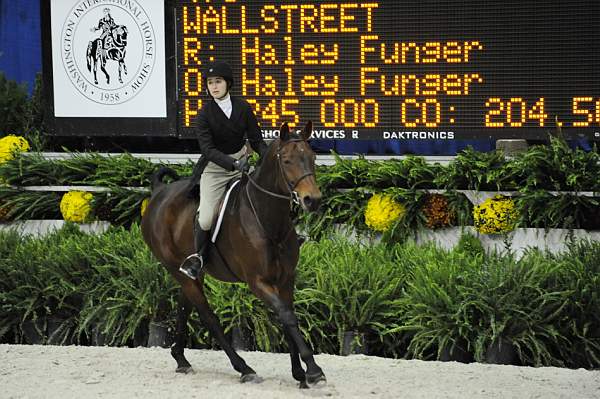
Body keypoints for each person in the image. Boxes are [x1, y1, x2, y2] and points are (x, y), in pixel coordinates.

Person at [179, 61, 268, 280]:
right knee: (207, 218)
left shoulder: (243, 107)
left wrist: (266, 159)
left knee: (270, 194)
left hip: (243, 163)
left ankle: (288, 236)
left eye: (218, 82)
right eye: (210, 83)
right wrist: (233, 165)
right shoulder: (203, 115)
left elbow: (256, 140)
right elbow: (208, 150)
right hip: (216, 170)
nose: (214, 86)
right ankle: (199, 257)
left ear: (228, 83)